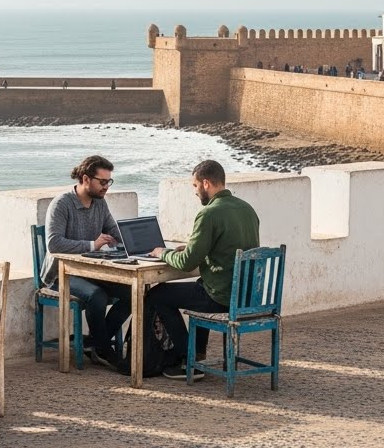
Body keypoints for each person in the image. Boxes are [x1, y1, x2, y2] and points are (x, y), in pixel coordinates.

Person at [148, 160, 260, 379]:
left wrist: (162, 253)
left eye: (195, 186)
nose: (195, 192)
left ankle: (187, 360)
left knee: (157, 295)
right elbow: (228, 245)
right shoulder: (247, 209)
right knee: (200, 286)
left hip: (221, 296)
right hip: (246, 296)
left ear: (206, 183)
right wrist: (193, 247)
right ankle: (197, 353)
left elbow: (188, 263)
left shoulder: (209, 213)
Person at [44, 155, 128, 368]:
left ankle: (95, 343)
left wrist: (133, 240)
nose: (106, 187)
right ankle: (103, 349)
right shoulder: (62, 204)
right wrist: (92, 245)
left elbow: (114, 231)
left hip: (91, 271)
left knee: (132, 293)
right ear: (85, 179)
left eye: (109, 182)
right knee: (96, 295)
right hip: (61, 273)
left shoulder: (100, 203)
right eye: (102, 181)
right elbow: (54, 244)